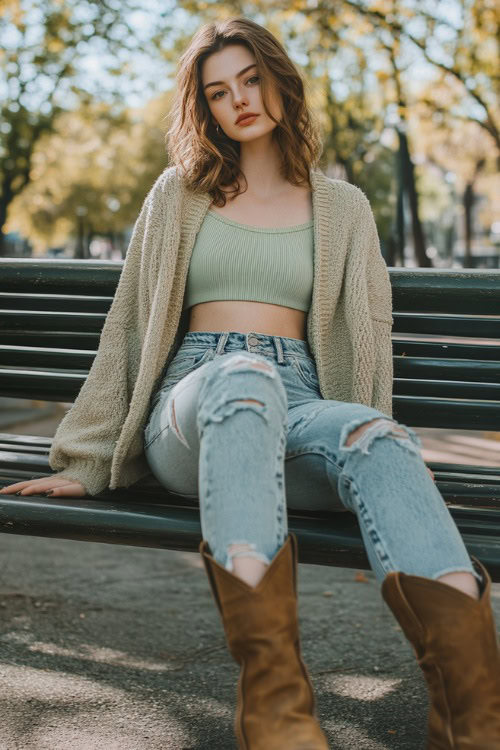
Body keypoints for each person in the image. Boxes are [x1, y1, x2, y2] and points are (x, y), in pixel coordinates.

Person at [2, 16, 500, 750]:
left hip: (297, 403)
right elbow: (130, 327)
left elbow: (367, 341)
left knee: (380, 437)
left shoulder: (344, 208)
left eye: (250, 79)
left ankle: (471, 718)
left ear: (278, 79)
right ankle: (276, 709)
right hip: (194, 409)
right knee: (243, 378)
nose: (239, 99)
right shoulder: (179, 194)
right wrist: (87, 458)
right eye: (217, 90)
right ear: (202, 107)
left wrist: (357, 436)